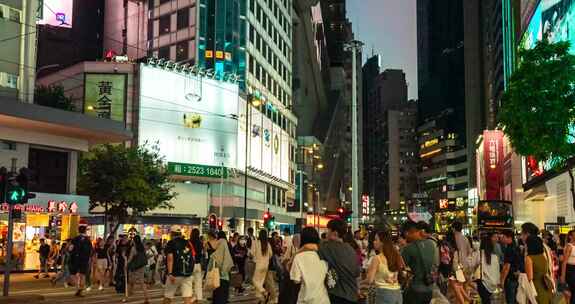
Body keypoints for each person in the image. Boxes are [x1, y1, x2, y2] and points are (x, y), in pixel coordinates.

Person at [318, 219, 361, 304]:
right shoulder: (351, 249)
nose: (326, 233)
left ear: (335, 233)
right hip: (353, 295)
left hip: (338, 295)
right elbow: (357, 272)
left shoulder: (327, 247)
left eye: (328, 230)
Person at [400, 221, 438, 304]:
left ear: (407, 233)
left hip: (415, 289)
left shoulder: (408, 248)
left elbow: (400, 267)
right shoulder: (431, 244)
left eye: (405, 235)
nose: (405, 238)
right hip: (429, 288)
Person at [290, 227, 329, 304]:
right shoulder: (324, 255)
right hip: (323, 299)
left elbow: (296, 280)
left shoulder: (298, 257)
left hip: (306, 299)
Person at [362, 230, 404, 304]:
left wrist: (360, 284)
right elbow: (403, 271)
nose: (373, 242)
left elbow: (370, 280)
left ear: (382, 243)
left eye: (376, 240)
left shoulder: (377, 258)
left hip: (383, 294)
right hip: (397, 294)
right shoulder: (397, 256)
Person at [163, 228, 196, 304]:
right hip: (187, 274)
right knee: (187, 298)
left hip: (174, 274)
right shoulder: (188, 243)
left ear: (172, 234)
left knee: (168, 297)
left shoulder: (171, 243)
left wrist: (170, 273)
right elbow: (193, 257)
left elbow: (170, 258)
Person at [525, 235, 552, 304]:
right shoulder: (542, 256)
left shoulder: (529, 258)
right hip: (545, 285)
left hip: (535, 287)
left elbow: (530, 277)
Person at [210, 230, 234, 303]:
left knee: (218, 296)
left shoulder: (217, 248)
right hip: (225, 275)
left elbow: (212, 263)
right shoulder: (227, 244)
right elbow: (230, 258)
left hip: (217, 276)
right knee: (222, 296)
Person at [476, 234, 501, 304]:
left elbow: (471, 264)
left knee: (485, 300)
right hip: (492, 283)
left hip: (482, 283)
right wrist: (498, 282)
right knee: (487, 300)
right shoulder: (495, 257)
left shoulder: (479, 254)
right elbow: (497, 271)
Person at [69, 226, 93, 297]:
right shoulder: (88, 240)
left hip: (75, 259)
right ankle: (81, 290)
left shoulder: (75, 239)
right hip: (84, 259)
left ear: (78, 231)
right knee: (82, 275)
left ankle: (77, 288)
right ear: (85, 231)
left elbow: (70, 249)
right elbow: (90, 251)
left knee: (73, 274)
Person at [125, 235, 149, 303]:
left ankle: (127, 296)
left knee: (130, 281)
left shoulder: (134, 248)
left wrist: (126, 265)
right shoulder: (143, 247)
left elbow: (130, 258)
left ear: (134, 240)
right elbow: (145, 256)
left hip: (135, 267)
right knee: (142, 282)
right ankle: (146, 297)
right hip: (142, 266)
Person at [252, 229, 274, 302]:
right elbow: (271, 254)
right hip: (265, 266)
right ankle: (261, 298)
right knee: (260, 282)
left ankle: (264, 292)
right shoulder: (267, 244)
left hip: (259, 265)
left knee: (255, 280)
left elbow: (252, 253)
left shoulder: (256, 243)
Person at [501, 230, 522, 304]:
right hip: (517, 278)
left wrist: (502, 281)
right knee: (516, 300)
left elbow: (507, 266)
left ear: (509, 238)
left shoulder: (509, 249)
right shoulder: (517, 247)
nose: (502, 238)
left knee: (510, 300)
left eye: (503, 237)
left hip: (510, 279)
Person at [190, 228, 204, 301]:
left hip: (191, 264)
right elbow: (202, 254)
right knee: (198, 282)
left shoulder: (189, 242)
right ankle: (199, 297)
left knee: (189, 282)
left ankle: (191, 296)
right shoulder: (200, 243)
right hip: (198, 264)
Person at [561, 230, 575, 304]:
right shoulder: (569, 246)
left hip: (573, 269)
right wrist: (563, 276)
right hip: (570, 270)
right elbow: (564, 262)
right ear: (570, 236)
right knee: (573, 290)